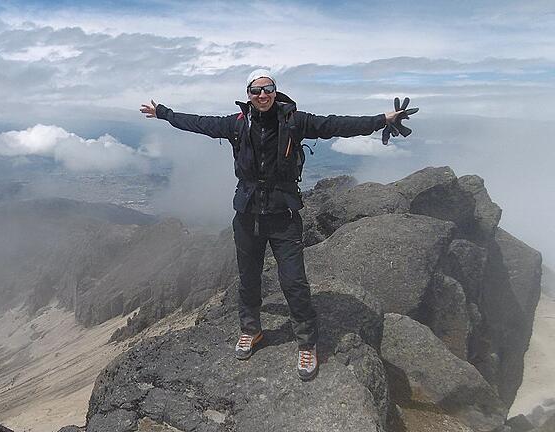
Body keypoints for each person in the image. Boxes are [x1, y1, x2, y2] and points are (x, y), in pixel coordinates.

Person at [140, 69, 411, 381]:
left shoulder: (295, 121)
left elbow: (338, 124)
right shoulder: (237, 124)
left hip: (283, 214)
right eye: (256, 91)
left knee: (294, 281)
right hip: (247, 213)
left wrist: (383, 119)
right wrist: (163, 113)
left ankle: (307, 343)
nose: (262, 95)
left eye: (267, 89)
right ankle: (250, 330)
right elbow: (199, 123)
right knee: (248, 278)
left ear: (275, 91)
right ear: (249, 95)